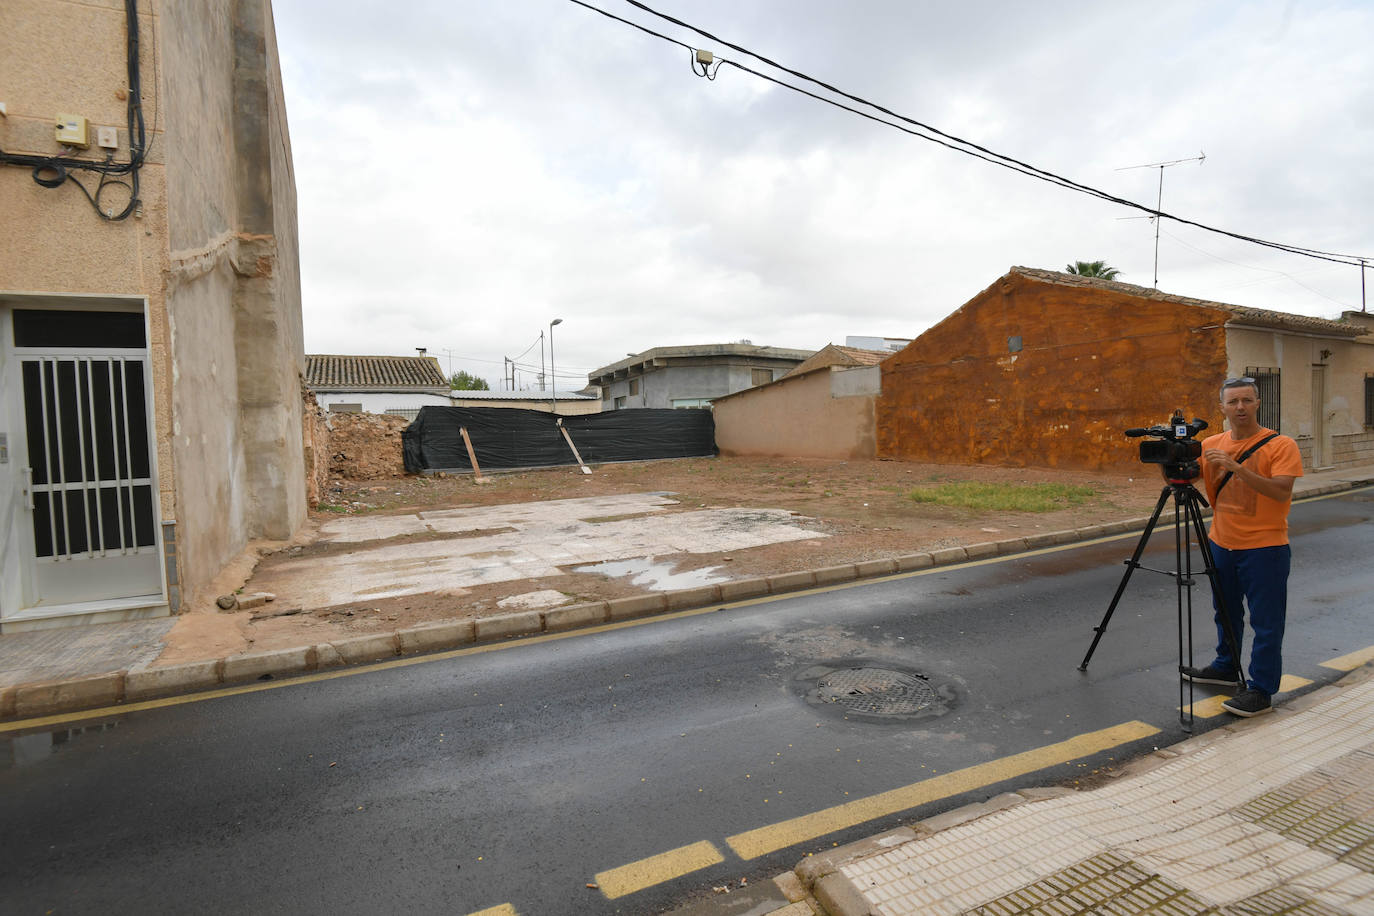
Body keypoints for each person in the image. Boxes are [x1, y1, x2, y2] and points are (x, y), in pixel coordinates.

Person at [1181, 376, 1303, 716]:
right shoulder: (1209, 445)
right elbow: (1182, 478)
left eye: (1246, 401)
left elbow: (1280, 491)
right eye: (1233, 402)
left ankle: (1261, 690)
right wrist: (1169, 459)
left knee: (1266, 622)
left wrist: (1237, 467)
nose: (1240, 408)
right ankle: (1225, 667)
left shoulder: (1281, 446)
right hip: (1221, 543)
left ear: (1257, 403)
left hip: (1266, 547)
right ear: (1221, 407)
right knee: (1226, 612)